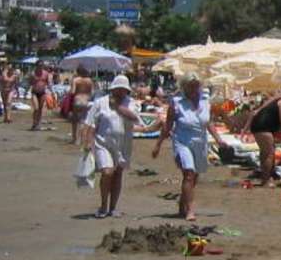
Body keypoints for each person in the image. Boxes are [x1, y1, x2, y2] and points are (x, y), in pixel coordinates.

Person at [153, 74, 223, 221]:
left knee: (194, 176)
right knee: (189, 173)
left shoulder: (205, 101)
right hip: (182, 141)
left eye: (196, 85)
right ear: (184, 87)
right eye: (190, 85)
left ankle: (182, 203)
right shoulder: (177, 102)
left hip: (200, 142)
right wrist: (158, 145)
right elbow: (168, 126)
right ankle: (190, 210)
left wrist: (218, 139)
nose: (194, 88)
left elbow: (208, 122)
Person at [83, 75, 140, 218]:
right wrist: (87, 142)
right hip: (103, 143)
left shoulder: (131, 103)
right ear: (113, 89)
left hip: (123, 144)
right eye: (118, 89)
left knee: (118, 173)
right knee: (107, 172)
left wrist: (118, 108)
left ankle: (113, 207)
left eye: (123, 90)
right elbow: (90, 123)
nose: (121, 92)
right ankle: (103, 205)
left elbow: (135, 118)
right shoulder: (100, 103)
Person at [245, 87, 281, 186]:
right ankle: (266, 180)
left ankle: (267, 177)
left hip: (259, 126)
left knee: (265, 153)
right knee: (269, 154)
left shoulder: (278, 100)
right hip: (263, 127)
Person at [68, 66, 95, 146]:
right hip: (86, 101)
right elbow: (92, 92)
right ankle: (81, 139)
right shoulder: (89, 81)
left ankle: (75, 139)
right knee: (82, 121)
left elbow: (72, 92)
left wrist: (69, 90)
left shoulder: (76, 80)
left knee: (75, 121)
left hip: (77, 100)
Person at [29, 63, 51, 131]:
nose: (40, 67)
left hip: (42, 92)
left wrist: (50, 91)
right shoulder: (33, 73)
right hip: (34, 92)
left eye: (41, 66)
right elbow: (30, 83)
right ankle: (34, 123)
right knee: (36, 108)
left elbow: (48, 82)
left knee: (40, 109)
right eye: (39, 66)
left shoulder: (46, 73)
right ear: (36, 66)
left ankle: (38, 124)